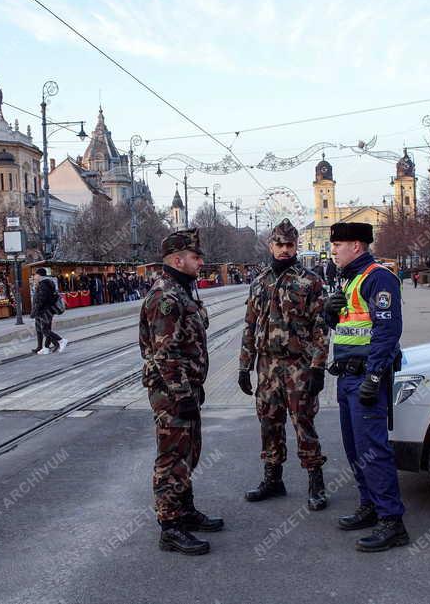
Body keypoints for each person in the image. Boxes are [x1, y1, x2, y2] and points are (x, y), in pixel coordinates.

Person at [323, 222, 408, 552]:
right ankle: (370, 505)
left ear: (356, 246)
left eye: (338, 246)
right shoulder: (347, 277)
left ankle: (392, 521)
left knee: (373, 450)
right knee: (355, 449)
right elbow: (348, 325)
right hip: (347, 377)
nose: (333, 251)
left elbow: (387, 332)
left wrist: (374, 376)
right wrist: (329, 314)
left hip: (365, 378)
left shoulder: (378, 277)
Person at [139, 228, 222, 555]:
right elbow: (165, 353)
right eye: (195, 256)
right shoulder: (167, 297)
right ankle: (170, 526)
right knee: (172, 456)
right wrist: (182, 393)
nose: (201, 261)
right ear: (177, 259)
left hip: (186, 386)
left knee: (188, 451)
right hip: (171, 391)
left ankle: (184, 511)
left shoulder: (184, 290)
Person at [239, 219, 329, 510]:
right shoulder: (259, 282)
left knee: (303, 423)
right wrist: (244, 366)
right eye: (279, 244)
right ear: (271, 245)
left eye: (290, 245)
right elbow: (250, 326)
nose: (285, 250)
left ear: (296, 246)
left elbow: (321, 327)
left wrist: (317, 367)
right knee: (269, 423)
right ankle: (273, 479)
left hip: (298, 366)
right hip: (266, 367)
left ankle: (316, 483)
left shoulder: (311, 281)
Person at [32, 268, 67, 355]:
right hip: (47, 310)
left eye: (35, 274)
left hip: (45, 310)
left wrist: (37, 309)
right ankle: (46, 348)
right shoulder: (46, 283)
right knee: (46, 329)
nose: (34, 276)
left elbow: (42, 299)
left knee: (45, 330)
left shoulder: (44, 284)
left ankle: (61, 340)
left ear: (39, 275)